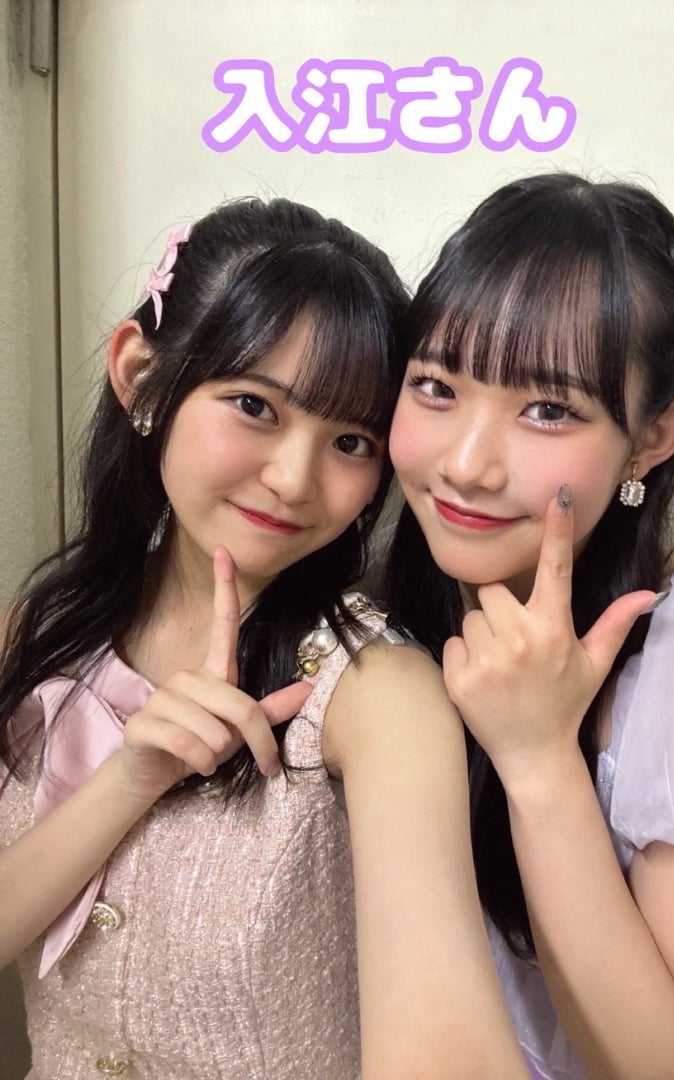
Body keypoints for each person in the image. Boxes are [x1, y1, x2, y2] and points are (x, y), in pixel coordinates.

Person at [0, 197, 528, 1079]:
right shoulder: (38, 634)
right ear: (140, 375)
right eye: (255, 405)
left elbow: (447, 1046)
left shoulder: (377, 694)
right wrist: (129, 780)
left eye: (350, 440)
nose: (293, 479)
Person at [381, 172, 674, 1080]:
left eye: (548, 409)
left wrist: (539, 758)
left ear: (654, 438)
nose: (467, 464)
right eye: (436, 385)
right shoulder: (381, 616)